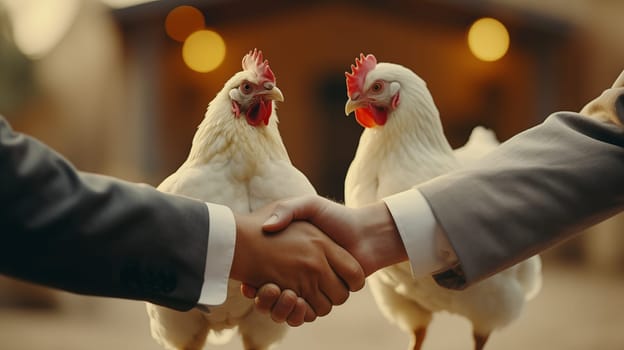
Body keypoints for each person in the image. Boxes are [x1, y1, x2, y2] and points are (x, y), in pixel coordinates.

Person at [246, 70, 624, 321]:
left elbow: (606, 142)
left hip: (481, 268)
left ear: (400, 95)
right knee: (410, 312)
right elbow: (608, 135)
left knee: (482, 317)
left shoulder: (437, 170)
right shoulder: (364, 169)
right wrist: (375, 233)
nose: (359, 99)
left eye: (375, 89)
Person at [0, 114, 365, 327]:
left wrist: (375, 235)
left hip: (262, 310)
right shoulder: (183, 183)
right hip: (192, 311)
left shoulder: (290, 181)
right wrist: (240, 247)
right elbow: (30, 198)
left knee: (261, 331)